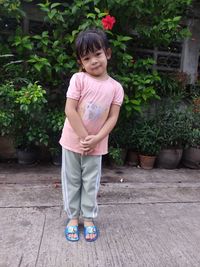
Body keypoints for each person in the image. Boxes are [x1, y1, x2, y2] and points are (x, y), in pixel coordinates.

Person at [59, 28, 124, 242]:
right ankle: (72, 218)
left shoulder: (116, 88)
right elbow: (70, 109)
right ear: (81, 62)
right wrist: (83, 137)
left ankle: (88, 219)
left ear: (108, 53)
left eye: (97, 54)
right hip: (71, 141)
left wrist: (95, 139)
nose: (94, 61)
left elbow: (112, 117)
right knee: (71, 180)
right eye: (87, 58)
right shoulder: (79, 79)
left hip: (96, 145)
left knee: (91, 183)